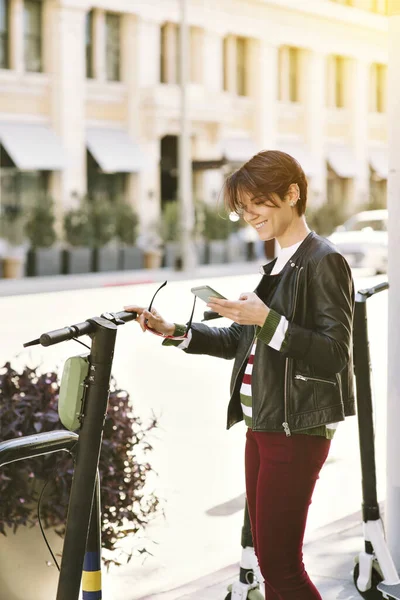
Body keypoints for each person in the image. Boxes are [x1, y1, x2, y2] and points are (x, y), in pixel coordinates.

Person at [124, 150, 355, 600]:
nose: (250, 216)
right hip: (263, 425)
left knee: (281, 567)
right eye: (243, 209)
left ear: (292, 194)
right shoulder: (281, 264)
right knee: (270, 564)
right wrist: (174, 330)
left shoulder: (323, 261)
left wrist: (266, 319)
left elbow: (334, 354)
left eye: (258, 204)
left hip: (296, 429)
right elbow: (237, 340)